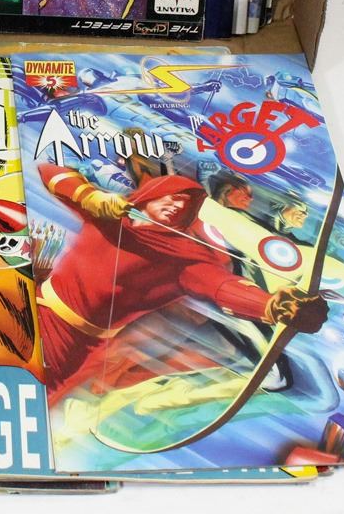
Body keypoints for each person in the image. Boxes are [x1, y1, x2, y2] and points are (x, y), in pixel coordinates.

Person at [34, 164, 327, 403]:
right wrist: (88, 195)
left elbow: (221, 286)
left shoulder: (182, 256)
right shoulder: (108, 214)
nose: (176, 205)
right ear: (151, 194)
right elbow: (49, 172)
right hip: (37, 308)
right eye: (171, 197)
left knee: (39, 395)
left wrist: (273, 306)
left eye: (185, 205)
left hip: (77, 343)